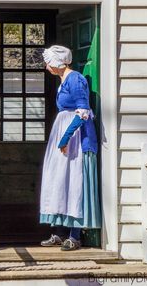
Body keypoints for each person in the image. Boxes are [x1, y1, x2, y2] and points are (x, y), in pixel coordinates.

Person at [39, 45, 101, 251]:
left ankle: (75, 235)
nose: (46, 66)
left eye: (48, 62)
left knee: (74, 182)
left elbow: (83, 111)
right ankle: (59, 231)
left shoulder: (75, 79)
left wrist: (65, 138)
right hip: (64, 131)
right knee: (59, 180)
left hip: (77, 138)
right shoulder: (63, 81)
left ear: (57, 62)